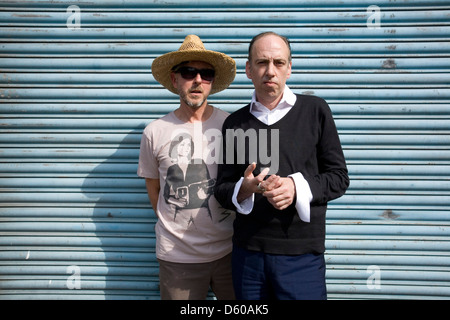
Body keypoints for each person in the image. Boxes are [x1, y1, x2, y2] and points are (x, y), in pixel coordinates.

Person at [214, 32, 350, 300]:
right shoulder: (235, 123)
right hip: (248, 255)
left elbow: (338, 178)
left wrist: (295, 186)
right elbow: (222, 189)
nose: (270, 71)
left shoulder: (316, 111)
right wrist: (245, 188)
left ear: (289, 68)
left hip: (302, 257)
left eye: (278, 62)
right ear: (248, 70)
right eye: (262, 62)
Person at [137, 34, 236, 300]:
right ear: (174, 79)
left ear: (212, 82)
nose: (197, 80)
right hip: (177, 257)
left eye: (206, 74)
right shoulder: (155, 132)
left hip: (231, 252)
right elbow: (154, 191)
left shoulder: (232, 126)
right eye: (189, 72)